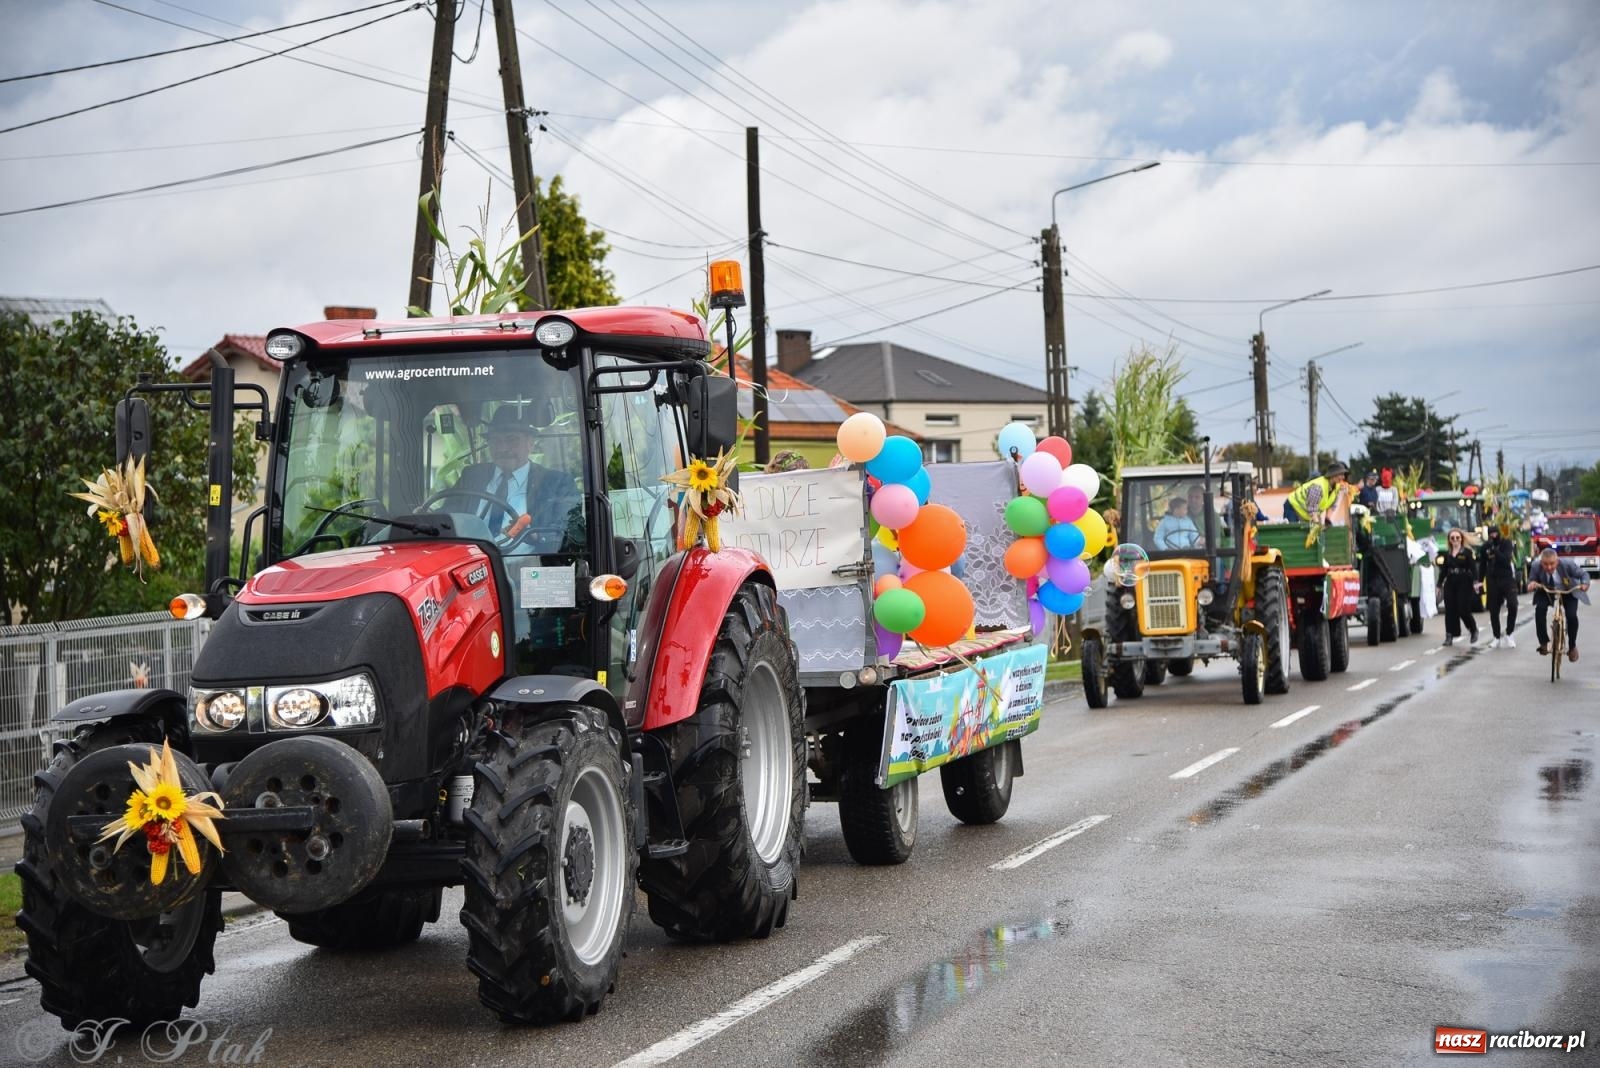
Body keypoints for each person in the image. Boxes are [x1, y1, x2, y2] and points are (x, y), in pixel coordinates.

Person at [448, 406, 583, 551]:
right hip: (469, 566)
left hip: (529, 569)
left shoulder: (556, 483)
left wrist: (533, 535)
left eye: (512, 440)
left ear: (530, 444)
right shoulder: (471, 477)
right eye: (495, 440)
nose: (502, 448)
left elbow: (574, 533)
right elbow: (447, 517)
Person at [1527, 547, 1591, 661]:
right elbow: (1531, 580)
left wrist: (1584, 584)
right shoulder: (1536, 566)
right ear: (1541, 563)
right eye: (1545, 564)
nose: (1549, 567)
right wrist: (1531, 584)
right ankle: (1544, 643)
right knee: (1539, 610)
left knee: (1571, 616)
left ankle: (1572, 647)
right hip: (1546, 591)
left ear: (1557, 561)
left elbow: (1583, 574)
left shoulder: (1567, 564)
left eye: (1552, 563)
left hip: (1568, 591)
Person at [1437, 528, 1481, 646]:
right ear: (1449, 540)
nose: (1455, 540)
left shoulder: (1467, 552)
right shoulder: (1448, 554)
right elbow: (1444, 571)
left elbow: (1473, 568)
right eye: (1452, 538)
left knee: (1463, 608)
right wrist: (1439, 585)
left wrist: (1476, 582)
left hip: (1464, 582)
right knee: (1450, 609)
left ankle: (1473, 629)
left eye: (1457, 537)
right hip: (1451, 582)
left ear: (1461, 539)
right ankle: (1450, 635)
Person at [1478, 525, 1520, 648]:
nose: (1493, 536)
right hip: (1492, 580)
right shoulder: (1485, 547)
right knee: (1493, 610)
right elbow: (1482, 565)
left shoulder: (1506, 543)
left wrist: (1495, 550)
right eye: (1491, 534)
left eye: (1495, 534)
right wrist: (1480, 581)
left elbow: (1505, 559)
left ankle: (1509, 633)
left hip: (1507, 578)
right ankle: (1496, 637)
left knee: (1513, 604)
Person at [1285, 461, 1349, 523]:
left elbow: (1331, 506)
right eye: (1341, 474)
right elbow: (1312, 510)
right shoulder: (1318, 487)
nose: (1343, 477)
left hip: (1306, 512)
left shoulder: (1336, 488)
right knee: (1293, 532)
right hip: (1293, 506)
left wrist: (1327, 521)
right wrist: (1318, 525)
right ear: (1333, 475)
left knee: (1310, 531)